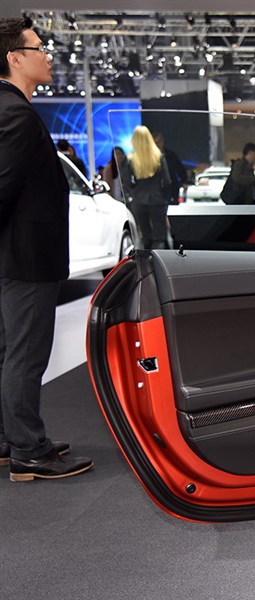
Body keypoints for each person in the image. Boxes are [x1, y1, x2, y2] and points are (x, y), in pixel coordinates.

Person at [0, 17, 93, 481]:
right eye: (39, 48)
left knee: (10, 351)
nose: (48, 56)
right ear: (15, 58)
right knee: (25, 353)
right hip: (27, 256)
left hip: (15, 254)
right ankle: (29, 451)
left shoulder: (9, 108)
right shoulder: (15, 113)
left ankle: (10, 440)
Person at [120, 125, 171, 248]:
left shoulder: (130, 159)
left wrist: (134, 190)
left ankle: (147, 258)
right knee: (159, 235)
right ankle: (160, 257)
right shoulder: (158, 157)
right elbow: (167, 181)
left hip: (139, 200)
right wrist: (165, 197)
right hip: (157, 199)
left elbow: (125, 181)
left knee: (145, 234)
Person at [153, 132, 189, 205]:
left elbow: (181, 170)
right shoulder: (149, 159)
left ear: (163, 141)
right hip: (155, 191)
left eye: (159, 142)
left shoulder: (171, 156)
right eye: (155, 143)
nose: (157, 145)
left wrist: (184, 182)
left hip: (172, 188)